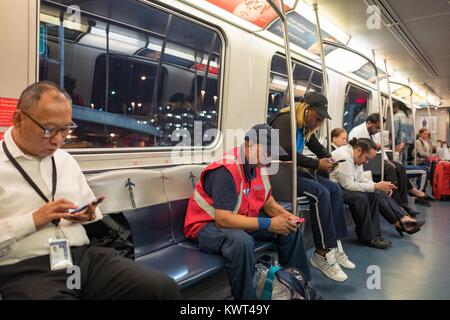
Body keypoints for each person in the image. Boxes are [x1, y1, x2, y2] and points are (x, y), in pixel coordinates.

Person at [0, 81, 181, 300]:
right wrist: (36, 219)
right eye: (48, 130)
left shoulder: (66, 160)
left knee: (160, 288)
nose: (58, 140)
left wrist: (87, 215)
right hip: (27, 267)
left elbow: (87, 210)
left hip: (82, 257)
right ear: (18, 119)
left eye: (65, 129)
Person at [184, 124, 314, 300]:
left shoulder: (257, 166)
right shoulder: (226, 170)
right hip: (206, 225)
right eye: (266, 152)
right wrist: (269, 224)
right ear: (249, 144)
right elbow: (223, 219)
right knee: (241, 242)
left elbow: (268, 202)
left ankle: (299, 287)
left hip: (239, 220)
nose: (268, 158)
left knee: (289, 229)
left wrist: (286, 216)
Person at [270, 92, 353, 283]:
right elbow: (284, 153)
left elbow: (319, 149)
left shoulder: (304, 128)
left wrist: (331, 159)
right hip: (277, 175)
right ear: (306, 110)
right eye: (317, 117)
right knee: (320, 193)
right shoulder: (285, 120)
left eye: (322, 119)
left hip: (291, 174)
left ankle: (334, 246)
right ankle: (321, 253)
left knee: (333, 189)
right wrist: (317, 164)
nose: (318, 122)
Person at [331, 138, 425, 244]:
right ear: (358, 150)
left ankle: (375, 235)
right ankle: (368, 237)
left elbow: (360, 177)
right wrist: (375, 185)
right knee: (361, 198)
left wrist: (379, 186)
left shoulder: (355, 155)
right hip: (334, 188)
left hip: (343, 186)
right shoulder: (345, 157)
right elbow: (348, 185)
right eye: (366, 158)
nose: (366, 162)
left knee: (374, 194)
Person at [348, 113, 431, 213]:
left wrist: (387, 160)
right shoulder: (357, 132)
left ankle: (404, 203)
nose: (378, 130)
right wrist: (384, 160)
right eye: (377, 127)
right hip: (364, 160)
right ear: (369, 123)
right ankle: (397, 206)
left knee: (400, 167)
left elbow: (381, 149)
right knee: (390, 168)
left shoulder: (375, 134)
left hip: (375, 158)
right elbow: (358, 152)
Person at [393, 100, 414, 164]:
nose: (393, 110)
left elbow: (395, 130)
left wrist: (392, 141)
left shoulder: (397, 115)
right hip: (408, 140)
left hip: (400, 140)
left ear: (396, 107)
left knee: (398, 158)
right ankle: (404, 171)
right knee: (405, 158)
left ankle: (400, 172)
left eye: (393, 108)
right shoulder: (409, 116)